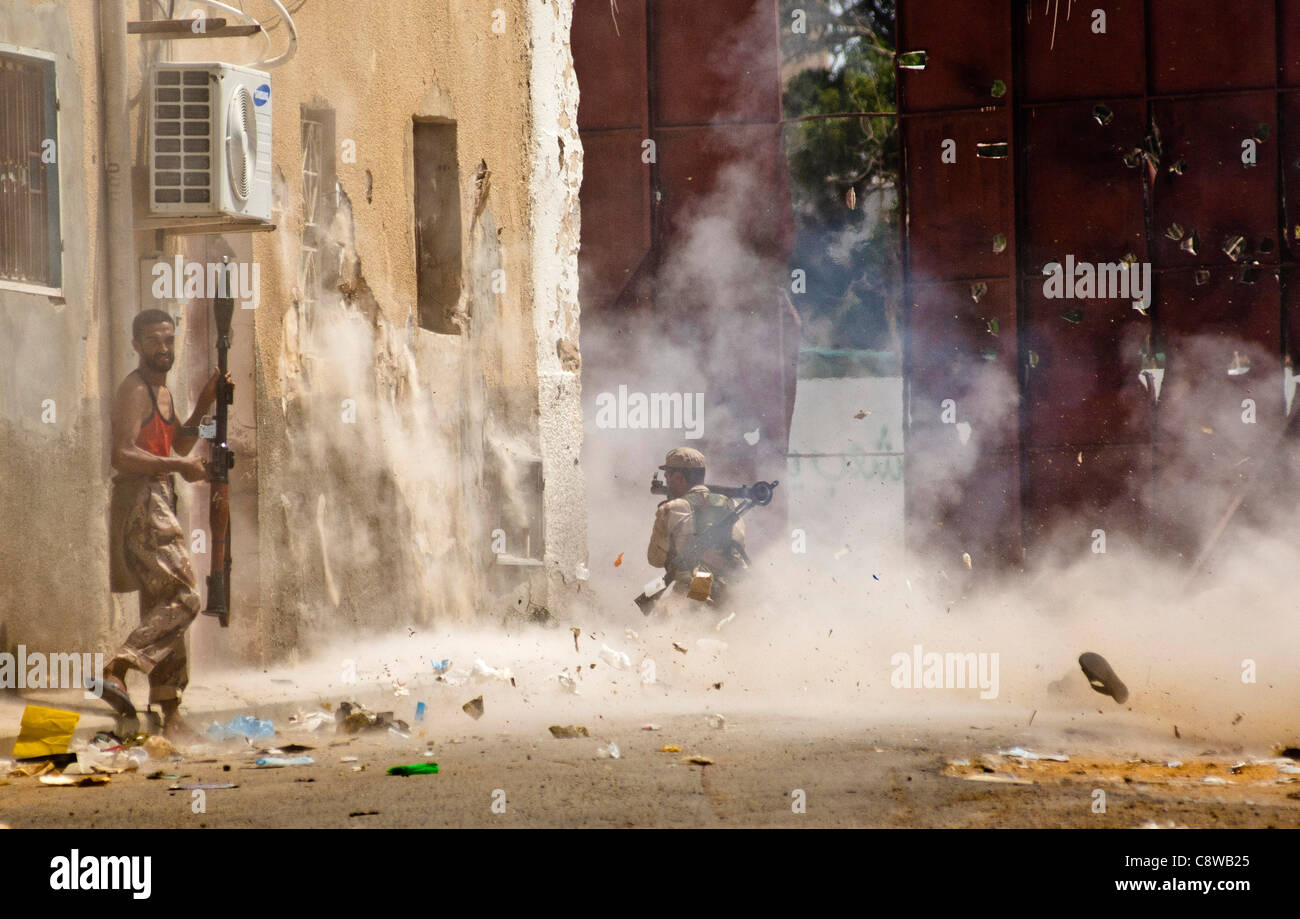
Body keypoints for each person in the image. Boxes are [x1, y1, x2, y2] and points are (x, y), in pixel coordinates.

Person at [98, 308, 230, 738]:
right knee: (186, 597)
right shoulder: (134, 390)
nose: (164, 348)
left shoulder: (163, 392)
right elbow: (121, 454)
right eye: (155, 341)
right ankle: (118, 665)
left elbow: (180, 439)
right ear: (137, 345)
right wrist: (177, 465)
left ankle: (169, 710)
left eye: (169, 340)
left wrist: (207, 402)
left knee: (164, 604)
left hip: (159, 496)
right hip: (140, 499)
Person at [646, 447, 747, 606]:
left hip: (693, 596)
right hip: (731, 594)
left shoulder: (670, 509)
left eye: (668, 476)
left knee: (662, 623)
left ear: (679, 477)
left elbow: (655, 560)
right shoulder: (731, 505)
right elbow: (738, 549)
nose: (667, 482)